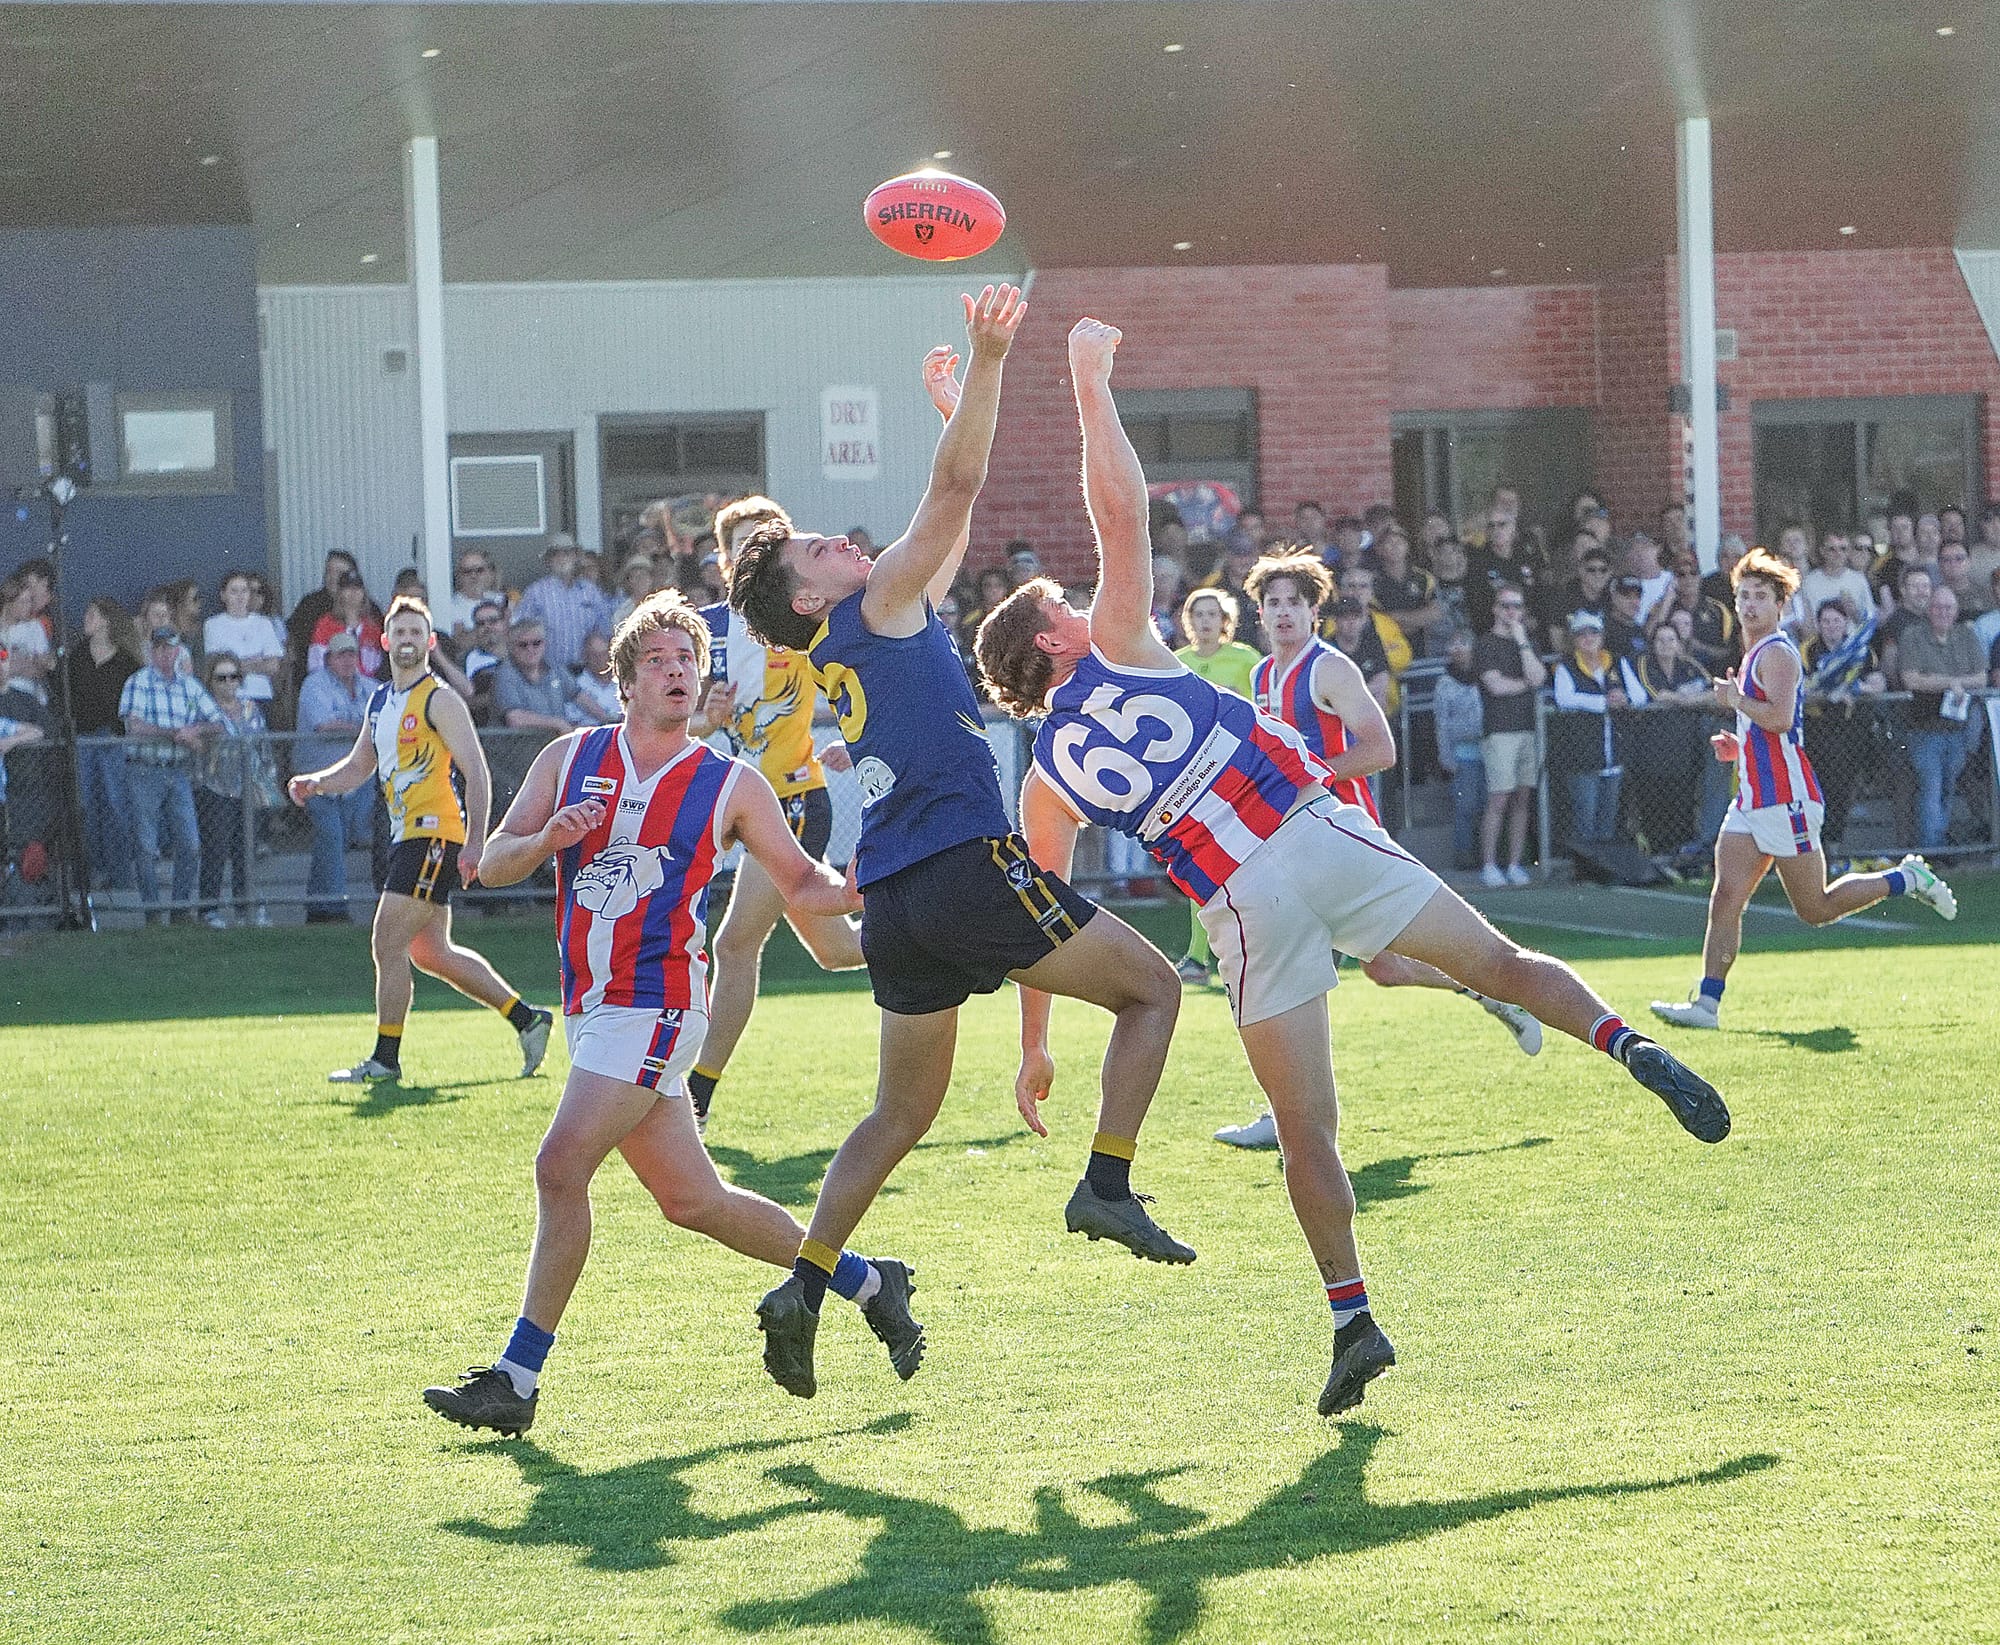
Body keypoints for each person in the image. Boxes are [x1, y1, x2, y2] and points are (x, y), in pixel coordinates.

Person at [976, 318, 1729, 1420]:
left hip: (1235, 905)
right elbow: (1121, 508)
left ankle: (1349, 1317)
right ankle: (1629, 1044)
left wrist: (1036, 1052)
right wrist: (1091, 382)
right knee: (1505, 962)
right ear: (1050, 646)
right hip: (1307, 828)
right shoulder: (1125, 639)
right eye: (1060, 607)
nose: (1078, 602)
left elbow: (1047, 925)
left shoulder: (1044, 769)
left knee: (1305, 1131)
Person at [729, 286, 1196, 1402]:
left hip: (894, 897)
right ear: (807, 594)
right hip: (959, 867)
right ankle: (1107, 1182)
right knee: (1152, 991)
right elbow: (952, 490)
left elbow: (944, 532)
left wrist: (954, 400)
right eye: (817, 547)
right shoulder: (870, 603)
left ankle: (804, 1283)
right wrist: (989, 358)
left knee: (899, 1113)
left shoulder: (870, 618)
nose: (842, 539)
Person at [416, 593, 919, 1436]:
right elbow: (493, 861)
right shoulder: (570, 756)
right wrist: (547, 840)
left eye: (689, 658)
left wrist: (880, 863)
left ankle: (518, 1377)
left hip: (658, 1006)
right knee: (697, 1203)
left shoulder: (729, 781)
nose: (679, 670)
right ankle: (871, 1281)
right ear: (624, 681)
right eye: (658, 659)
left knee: (559, 1164)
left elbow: (805, 886)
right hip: (595, 1006)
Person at [1205, 551, 1539, 1151]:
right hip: (1287, 840)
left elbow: (1381, 749)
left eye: (1294, 603)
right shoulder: (1258, 678)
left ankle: (1492, 990)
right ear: (1258, 613)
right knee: (1305, 972)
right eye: (1272, 603)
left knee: (1372, 967)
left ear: (1314, 611)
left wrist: (1306, 775)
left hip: (1343, 832)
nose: (1283, 613)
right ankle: (1286, 1114)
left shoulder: (1330, 669)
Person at [1651, 550, 1956, 1032]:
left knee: (1815, 908)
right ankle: (1707, 1004)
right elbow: (1766, 729)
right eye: (1743, 596)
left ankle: (1906, 880)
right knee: (1726, 894)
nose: (1749, 606)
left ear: (1780, 606)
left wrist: (1736, 702)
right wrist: (1738, 746)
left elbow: (1776, 717)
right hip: (1752, 797)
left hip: (1787, 799)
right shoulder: (1753, 652)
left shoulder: (1777, 652)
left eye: (1760, 598)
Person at [288, 596, 555, 1082]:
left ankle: (385, 1060)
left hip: (433, 836)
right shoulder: (379, 701)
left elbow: (476, 771)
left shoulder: (440, 698)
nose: (408, 641)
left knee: (386, 940)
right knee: (432, 953)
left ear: (430, 643)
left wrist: (475, 842)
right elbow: (358, 767)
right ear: (385, 642)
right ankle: (528, 1019)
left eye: (417, 633)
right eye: (400, 633)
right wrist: (316, 782)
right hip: (406, 837)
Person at [1168, 586, 1265, 983]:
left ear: (1225, 622)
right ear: (1188, 622)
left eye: (1212, 614)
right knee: (1198, 863)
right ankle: (1197, 958)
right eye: (1198, 614)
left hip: (1242, 775)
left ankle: (1255, 954)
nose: (1205, 622)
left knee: (1251, 865)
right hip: (1195, 779)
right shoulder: (1176, 663)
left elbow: (1262, 713)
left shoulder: (1246, 659)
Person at [120, 625, 227, 923]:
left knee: (190, 844)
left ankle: (180, 910)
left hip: (178, 772)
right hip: (144, 771)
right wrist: (175, 735)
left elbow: (219, 723)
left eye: (171, 648)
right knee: (145, 846)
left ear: (179, 650)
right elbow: (135, 727)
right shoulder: (138, 682)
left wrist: (195, 729)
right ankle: (153, 913)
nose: (166, 654)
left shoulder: (189, 685)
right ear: (152, 651)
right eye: (160, 648)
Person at [292, 631, 382, 922]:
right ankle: (336, 910)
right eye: (340, 655)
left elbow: (391, 713)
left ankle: (318, 909)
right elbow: (325, 726)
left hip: (355, 779)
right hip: (315, 779)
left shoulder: (370, 687)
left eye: (351, 655)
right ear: (328, 659)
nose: (346, 661)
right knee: (332, 835)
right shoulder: (314, 685)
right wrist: (366, 729)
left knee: (336, 840)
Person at [1895, 585, 1988, 849]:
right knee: (1931, 789)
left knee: (1947, 789)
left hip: (1958, 730)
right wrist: (1952, 683)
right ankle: (1931, 850)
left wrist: (1953, 683)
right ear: (1929, 609)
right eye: (1937, 607)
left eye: (1948, 607)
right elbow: (1911, 679)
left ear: (1956, 611)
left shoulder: (1966, 637)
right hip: (1924, 730)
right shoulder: (1913, 636)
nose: (1943, 612)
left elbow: (1981, 677)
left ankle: (1938, 844)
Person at [1549, 610, 1641, 846]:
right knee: (1585, 820)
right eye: (1582, 634)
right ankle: (1585, 870)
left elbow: (1639, 696)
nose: (1588, 638)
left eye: (1594, 632)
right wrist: (1603, 703)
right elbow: (1565, 698)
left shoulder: (1617, 662)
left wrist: (1624, 698)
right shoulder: (1566, 667)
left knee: (1608, 822)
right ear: (1574, 639)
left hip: (1615, 755)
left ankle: (1604, 869)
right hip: (1583, 757)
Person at [67, 597, 141, 893]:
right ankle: (92, 870)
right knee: (86, 805)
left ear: (106, 620)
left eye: (92, 614)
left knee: (115, 804)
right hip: (83, 739)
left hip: (112, 740)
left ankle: (120, 872)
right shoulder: (77, 657)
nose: (87, 618)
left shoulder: (126, 661)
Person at [193, 651, 271, 927]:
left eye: (234, 676)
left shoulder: (251, 708)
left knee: (245, 850)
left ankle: (245, 906)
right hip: (214, 789)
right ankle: (208, 909)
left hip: (248, 789)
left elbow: (263, 748)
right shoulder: (204, 709)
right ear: (211, 680)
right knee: (215, 849)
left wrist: (266, 785)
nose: (228, 683)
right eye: (221, 677)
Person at [1475, 585, 1544, 887]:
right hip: (1500, 731)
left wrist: (1522, 642)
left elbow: (1539, 677)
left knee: (1522, 798)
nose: (1511, 612)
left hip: (1528, 728)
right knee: (1498, 798)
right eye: (1505, 606)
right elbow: (1496, 686)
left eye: (1516, 606)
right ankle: (1489, 864)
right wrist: (1526, 684)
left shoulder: (1525, 642)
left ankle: (1515, 864)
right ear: (1494, 608)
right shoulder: (1486, 644)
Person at [203, 571, 287, 708]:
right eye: (234, 591)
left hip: (262, 695)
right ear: (223, 595)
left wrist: (236, 663)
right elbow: (217, 665)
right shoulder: (212, 625)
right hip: (229, 698)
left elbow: (273, 666)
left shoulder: (264, 623)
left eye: (244, 591)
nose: (240, 596)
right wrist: (257, 662)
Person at [308, 571, 385, 677]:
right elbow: (316, 665)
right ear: (339, 593)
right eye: (347, 588)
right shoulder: (325, 625)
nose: (353, 592)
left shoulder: (373, 628)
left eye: (357, 588)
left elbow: (378, 667)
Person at [568, 631, 623, 724]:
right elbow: (571, 723)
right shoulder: (575, 686)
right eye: (594, 655)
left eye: (603, 654)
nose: (599, 659)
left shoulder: (624, 683)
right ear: (585, 656)